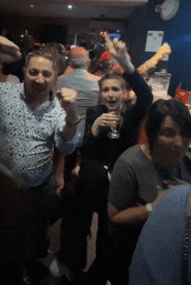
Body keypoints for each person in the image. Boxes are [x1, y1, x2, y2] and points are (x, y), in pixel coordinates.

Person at [0, 36, 80, 281]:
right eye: (33, 72)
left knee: (37, 235)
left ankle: (34, 263)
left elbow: (69, 146)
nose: (39, 79)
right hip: (1, 187)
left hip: (39, 189)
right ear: (24, 71)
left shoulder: (59, 108)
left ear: (54, 77)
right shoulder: (4, 92)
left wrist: (72, 115)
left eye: (46, 74)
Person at [54, 32, 153, 284]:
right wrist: (95, 128)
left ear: (123, 92)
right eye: (106, 90)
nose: (110, 94)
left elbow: (147, 96)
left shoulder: (132, 114)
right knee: (78, 223)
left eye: (115, 90)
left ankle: (100, 273)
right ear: (100, 93)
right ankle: (71, 268)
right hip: (92, 177)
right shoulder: (95, 112)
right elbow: (84, 149)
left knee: (108, 233)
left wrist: (127, 64)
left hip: (119, 180)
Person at [108, 98, 191, 285]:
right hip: (137, 251)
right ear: (152, 135)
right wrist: (152, 209)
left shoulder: (186, 160)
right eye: (168, 133)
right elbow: (114, 215)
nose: (179, 142)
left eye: (185, 133)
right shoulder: (129, 163)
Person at [129, 184, 191, 285]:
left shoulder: (176, 193)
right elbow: (113, 214)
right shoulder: (177, 196)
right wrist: (150, 208)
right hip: (128, 241)